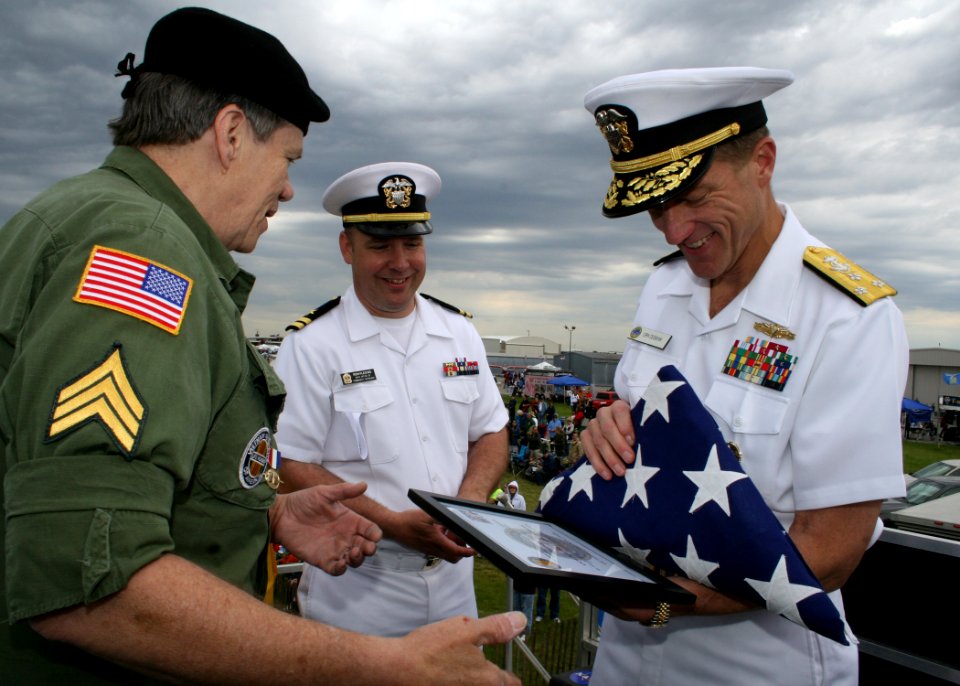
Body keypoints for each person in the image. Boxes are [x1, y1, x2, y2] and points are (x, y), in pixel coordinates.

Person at [0, 8, 524, 684]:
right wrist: (385, 666)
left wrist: (269, 512)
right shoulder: (141, 251)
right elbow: (84, 575)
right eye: (287, 158)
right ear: (229, 132)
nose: (285, 187)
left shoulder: (76, 215)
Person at [579, 67, 908, 685]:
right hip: (625, 659)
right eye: (655, 206)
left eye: (695, 197)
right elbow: (640, 437)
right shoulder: (664, 286)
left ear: (763, 161)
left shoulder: (846, 316)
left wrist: (665, 605)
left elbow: (832, 549)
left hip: (759, 666)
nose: (675, 230)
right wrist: (604, 432)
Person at [274, 162, 510, 637]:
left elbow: (491, 429)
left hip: (454, 583)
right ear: (347, 247)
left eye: (413, 243)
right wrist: (391, 522)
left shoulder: (458, 331)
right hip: (358, 585)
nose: (400, 262)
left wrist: (468, 504)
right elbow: (288, 462)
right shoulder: (313, 344)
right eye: (380, 246)